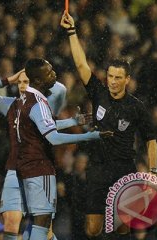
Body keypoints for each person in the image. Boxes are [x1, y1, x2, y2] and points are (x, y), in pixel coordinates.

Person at [60, 12, 157, 238]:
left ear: (127, 80)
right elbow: (80, 64)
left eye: (117, 78)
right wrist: (72, 32)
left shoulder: (136, 107)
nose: (112, 81)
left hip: (124, 167)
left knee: (124, 228)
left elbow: (151, 141)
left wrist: (152, 173)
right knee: (93, 229)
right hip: (97, 167)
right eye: (110, 76)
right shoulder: (98, 93)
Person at [0, 70, 94, 240]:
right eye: (20, 83)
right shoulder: (11, 104)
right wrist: (8, 80)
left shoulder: (41, 106)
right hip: (15, 169)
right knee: (10, 221)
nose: (23, 87)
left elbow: (57, 102)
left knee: (42, 230)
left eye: (28, 82)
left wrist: (73, 122)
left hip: (39, 170)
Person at [16, 58, 113, 240]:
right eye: (49, 72)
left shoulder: (36, 99)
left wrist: (74, 121)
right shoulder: (34, 102)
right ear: (38, 80)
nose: (54, 74)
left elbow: (49, 125)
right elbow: (53, 137)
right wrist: (89, 136)